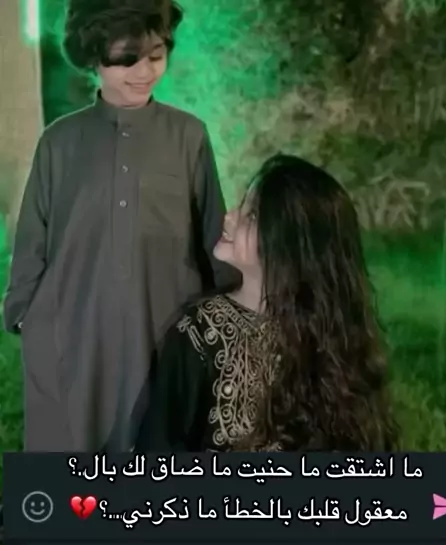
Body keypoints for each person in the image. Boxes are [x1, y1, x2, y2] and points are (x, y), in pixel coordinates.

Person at [3, 0, 237, 451]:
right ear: (93, 56)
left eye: (156, 56)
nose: (144, 72)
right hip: (74, 338)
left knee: (162, 455)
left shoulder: (188, 136)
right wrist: (27, 316)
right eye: (127, 59)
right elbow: (33, 241)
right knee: (71, 465)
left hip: (165, 333)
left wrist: (231, 316)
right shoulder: (59, 143)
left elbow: (214, 237)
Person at [136, 154, 397, 452]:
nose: (229, 217)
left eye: (252, 216)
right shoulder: (200, 334)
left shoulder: (336, 341)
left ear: (292, 246)